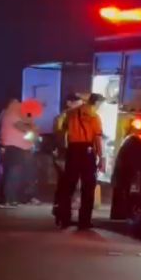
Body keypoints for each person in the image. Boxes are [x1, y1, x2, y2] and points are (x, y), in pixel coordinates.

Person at [56, 93, 104, 230]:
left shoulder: (71, 113)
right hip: (86, 151)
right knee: (88, 187)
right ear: (96, 103)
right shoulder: (94, 116)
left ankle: (64, 218)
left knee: (68, 186)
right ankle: (84, 221)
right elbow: (98, 138)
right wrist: (102, 157)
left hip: (72, 150)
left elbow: (62, 131)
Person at [0, 98, 35, 208]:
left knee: (14, 173)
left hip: (16, 146)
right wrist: (31, 125)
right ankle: (10, 200)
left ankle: (11, 199)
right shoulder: (12, 115)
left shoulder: (8, 114)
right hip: (14, 147)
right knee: (13, 174)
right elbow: (22, 127)